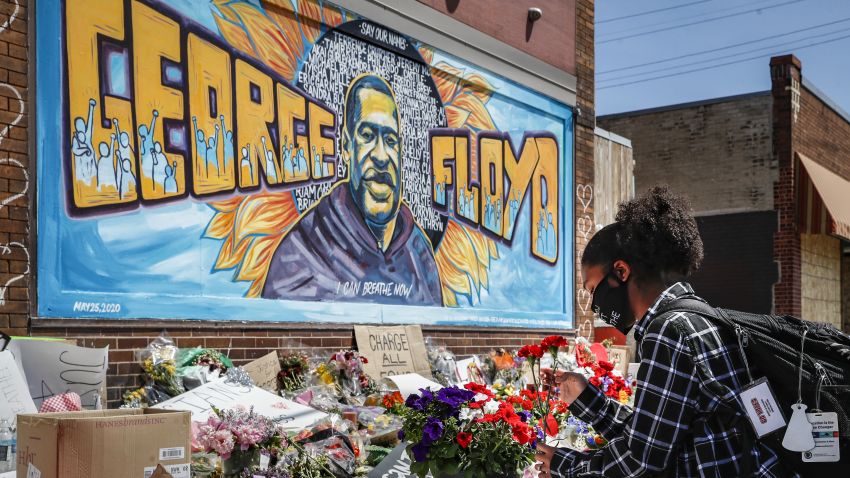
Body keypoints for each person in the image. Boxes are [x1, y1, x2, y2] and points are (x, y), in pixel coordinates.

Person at [535, 186, 797, 478]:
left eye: (594, 290)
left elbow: (643, 460)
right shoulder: (696, 315)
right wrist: (584, 398)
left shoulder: (669, 332)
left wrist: (564, 465)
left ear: (621, 272)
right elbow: (654, 435)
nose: (595, 306)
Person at [262, 74, 442, 306]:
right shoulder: (302, 251)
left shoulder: (419, 252)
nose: (381, 156)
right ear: (347, 147)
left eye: (390, 140)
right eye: (367, 135)